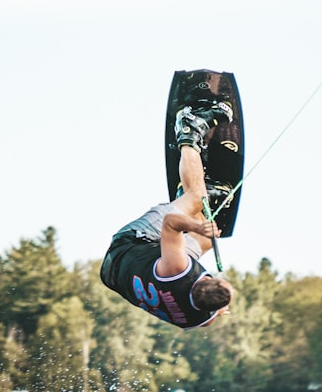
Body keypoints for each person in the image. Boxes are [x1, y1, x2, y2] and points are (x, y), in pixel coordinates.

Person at [99, 101, 235, 328]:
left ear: (203, 280)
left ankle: (190, 129)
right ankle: (192, 191)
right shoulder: (198, 320)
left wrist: (196, 226)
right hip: (116, 279)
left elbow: (170, 225)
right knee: (209, 240)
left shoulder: (178, 269)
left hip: (128, 246)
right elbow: (206, 316)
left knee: (196, 197)